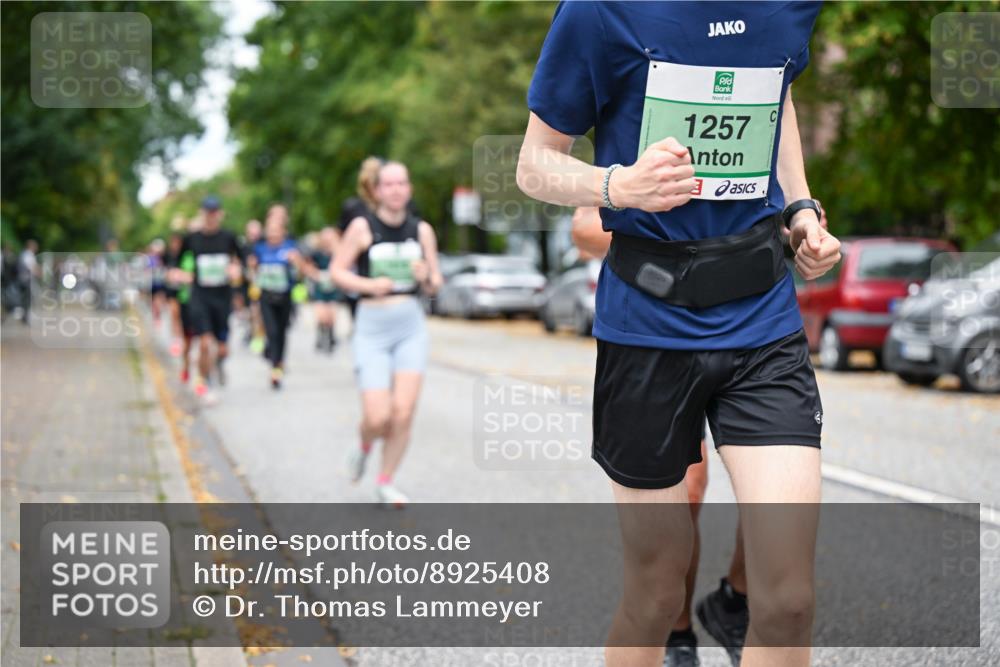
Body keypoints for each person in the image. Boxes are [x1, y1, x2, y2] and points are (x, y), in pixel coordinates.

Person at [519, 4, 841, 667]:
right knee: (657, 589)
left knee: (787, 600)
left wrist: (801, 207)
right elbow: (533, 164)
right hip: (647, 325)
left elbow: (775, 93)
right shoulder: (601, 12)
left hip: (763, 321)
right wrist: (618, 185)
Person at [331, 160, 443, 508]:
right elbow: (336, 271)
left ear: (408, 189)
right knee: (378, 416)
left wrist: (426, 276)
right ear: (377, 190)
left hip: (410, 325)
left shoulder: (421, 230)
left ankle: (385, 481)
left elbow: (436, 284)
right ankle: (364, 446)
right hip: (371, 328)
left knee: (403, 412)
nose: (396, 190)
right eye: (389, 184)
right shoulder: (363, 228)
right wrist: (368, 284)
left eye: (402, 183)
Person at [175, 196, 244, 404]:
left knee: (222, 348)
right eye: (207, 212)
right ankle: (206, 383)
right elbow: (177, 265)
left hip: (222, 298)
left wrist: (236, 270)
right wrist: (181, 275)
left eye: (214, 212)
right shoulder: (192, 239)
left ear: (220, 214)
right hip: (200, 296)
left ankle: (219, 363)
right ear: (202, 213)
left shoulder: (229, 237)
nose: (211, 217)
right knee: (205, 343)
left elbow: (244, 261)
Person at [249, 212, 306, 389]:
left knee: (282, 331)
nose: (273, 234)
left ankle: (279, 362)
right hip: (266, 296)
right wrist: (252, 274)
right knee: (271, 330)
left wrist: (297, 263)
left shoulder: (290, 247)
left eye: (276, 231)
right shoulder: (260, 248)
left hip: (285, 296)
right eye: (270, 231)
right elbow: (253, 269)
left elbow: (301, 273)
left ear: (283, 232)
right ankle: (274, 366)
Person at [307, 226, 342, 353]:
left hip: (333, 287)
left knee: (331, 315)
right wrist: (317, 275)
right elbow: (308, 267)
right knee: (321, 315)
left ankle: (331, 336)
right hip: (320, 287)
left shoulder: (338, 252)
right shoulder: (317, 253)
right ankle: (320, 335)